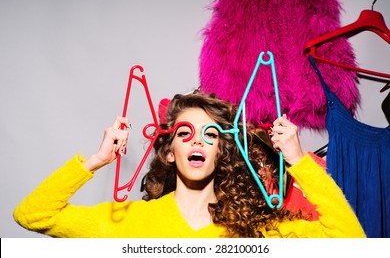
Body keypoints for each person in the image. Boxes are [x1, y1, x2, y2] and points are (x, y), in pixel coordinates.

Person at [13, 91, 365, 238]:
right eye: (185, 133)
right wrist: (96, 161)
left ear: (220, 152)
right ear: (169, 153)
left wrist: (299, 161)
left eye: (210, 134)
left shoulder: (258, 231)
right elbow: (33, 214)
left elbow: (351, 242)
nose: (197, 140)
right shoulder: (129, 223)